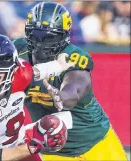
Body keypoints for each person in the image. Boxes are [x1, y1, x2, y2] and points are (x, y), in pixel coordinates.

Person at [13, 2, 128, 161]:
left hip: (95, 141)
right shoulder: (18, 52)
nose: (41, 43)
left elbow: (72, 92)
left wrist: (61, 96)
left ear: (64, 36)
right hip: (55, 149)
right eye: (36, 35)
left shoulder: (73, 57)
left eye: (50, 36)